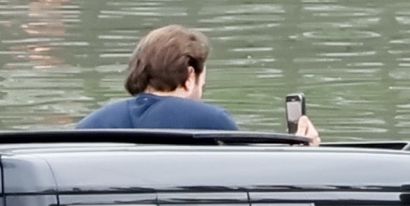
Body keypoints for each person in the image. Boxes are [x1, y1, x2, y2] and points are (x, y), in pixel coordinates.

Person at [77, 24, 320, 141]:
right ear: (190, 75)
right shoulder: (210, 122)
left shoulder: (89, 126)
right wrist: (303, 155)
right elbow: (252, 184)